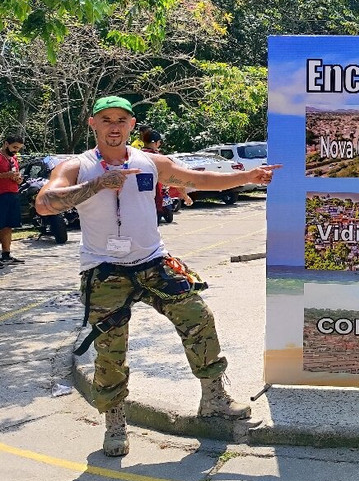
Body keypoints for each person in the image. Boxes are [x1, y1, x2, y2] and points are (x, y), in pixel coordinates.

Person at [36, 96, 281, 457]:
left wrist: (247, 176)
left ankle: (213, 398)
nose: (114, 126)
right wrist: (99, 185)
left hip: (153, 262)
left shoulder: (149, 162)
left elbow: (197, 179)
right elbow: (45, 202)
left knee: (198, 318)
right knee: (110, 348)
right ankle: (115, 421)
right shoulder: (79, 167)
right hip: (104, 270)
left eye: (122, 119)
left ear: (132, 125)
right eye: (106, 120)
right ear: (93, 124)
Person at [0, 133, 25, 267]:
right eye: (14, 147)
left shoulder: (14, 158)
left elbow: (16, 173)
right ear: (5, 144)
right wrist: (6, 175)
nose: (16, 150)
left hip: (13, 194)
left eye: (19, 148)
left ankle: (6, 254)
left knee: (8, 225)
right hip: (1, 195)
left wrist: (18, 179)